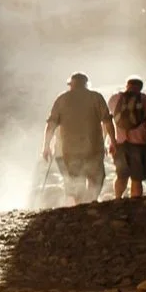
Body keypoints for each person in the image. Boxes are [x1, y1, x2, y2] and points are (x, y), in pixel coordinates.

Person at [42, 72, 113, 205]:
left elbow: (51, 124)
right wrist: (112, 142)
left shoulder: (62, 99)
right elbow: (107, 121)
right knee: (96, 177)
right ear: (86, 83)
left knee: (74, 178)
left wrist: (46, 146)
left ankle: (79, 204)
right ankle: (91, 201)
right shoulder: (95, 97)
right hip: (93, 146)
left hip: (69, 148)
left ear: (71, 84)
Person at [111, 75, 146, 198]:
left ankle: (117, 199)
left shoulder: (115, 99)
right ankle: (135, 204)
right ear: (140, 88)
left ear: (127, 86)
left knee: (121, 176)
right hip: (139, 144)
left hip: (120, 144)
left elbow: (107, 122)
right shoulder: (145, 99)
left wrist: (111, 142)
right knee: (136, 179)